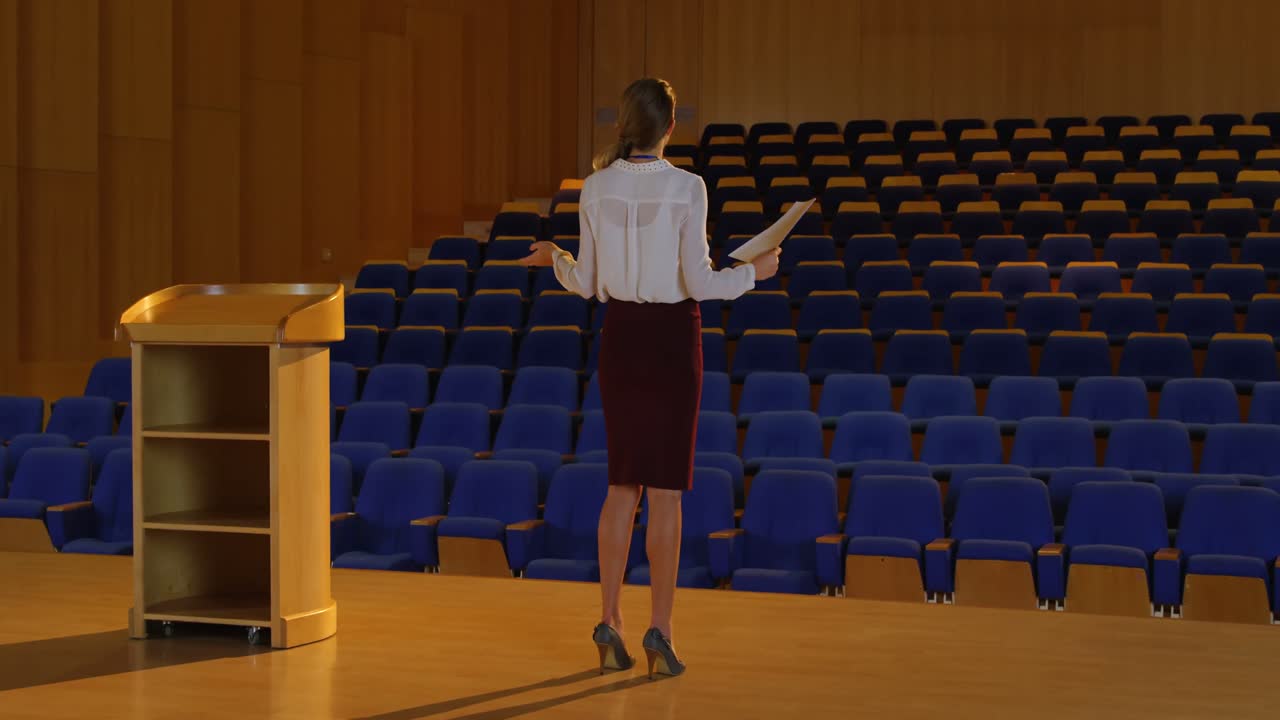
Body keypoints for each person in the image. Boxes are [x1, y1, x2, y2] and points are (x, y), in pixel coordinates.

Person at [522, 78, 780, 679]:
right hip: (670, 341)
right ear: (670, 128)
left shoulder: (594, 187)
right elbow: (702, 280)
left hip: (622, 341)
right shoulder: (688, 188)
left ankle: (609, 619)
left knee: (621, 487)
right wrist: (755, 273)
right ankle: (660, 631)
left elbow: (585, 282)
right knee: (665, 493)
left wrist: (554, 258)